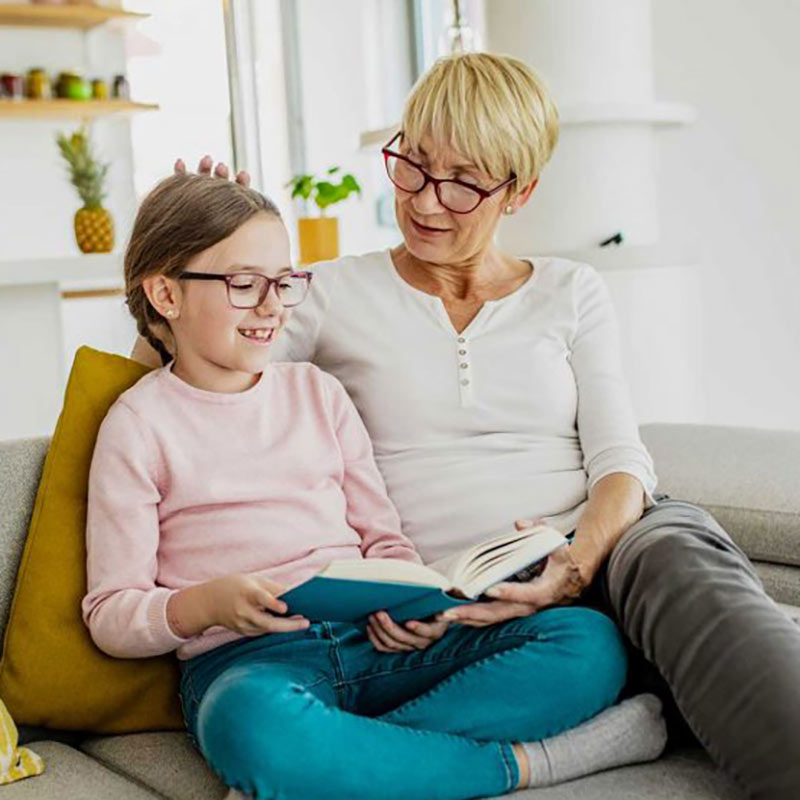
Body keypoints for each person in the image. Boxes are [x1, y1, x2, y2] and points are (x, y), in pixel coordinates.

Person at [85, 173, 666, 800]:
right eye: (244, 284)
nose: (273, 306)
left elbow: (383, 538)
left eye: (284, 282)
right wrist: (205, 605)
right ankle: (533, 764)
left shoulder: (318, 393)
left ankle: (325, 768)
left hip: (374, 642)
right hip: (252, 666)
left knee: (587, 643)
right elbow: (110, 614)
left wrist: (405, 598)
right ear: (165, 294)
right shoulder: (137, 425)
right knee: (249, 724)